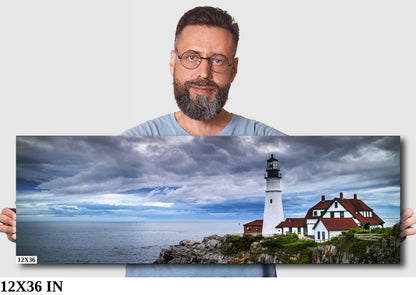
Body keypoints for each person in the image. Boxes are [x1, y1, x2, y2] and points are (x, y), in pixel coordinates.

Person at [1, 6, 416, 277]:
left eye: (217, 60)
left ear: (233, 69)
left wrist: (399, 226)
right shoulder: (132, 141)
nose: (204, 72)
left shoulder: (270, 139)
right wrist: (30, 231)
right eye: (192, 57)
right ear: (172, 62)